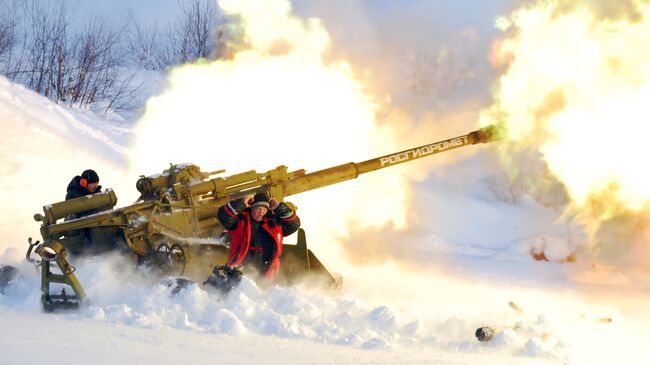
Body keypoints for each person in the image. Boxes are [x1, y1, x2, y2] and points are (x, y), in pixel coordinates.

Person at [217, 192, 300, 284]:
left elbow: (294, 224)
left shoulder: (274, 224)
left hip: (266, 274)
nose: (261, 212)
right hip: (240, 271)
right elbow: (223, 216)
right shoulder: (240, 221)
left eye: (264, 209)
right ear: (252, 208)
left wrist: (279, 207)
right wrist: (242, 203)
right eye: (258, 209)